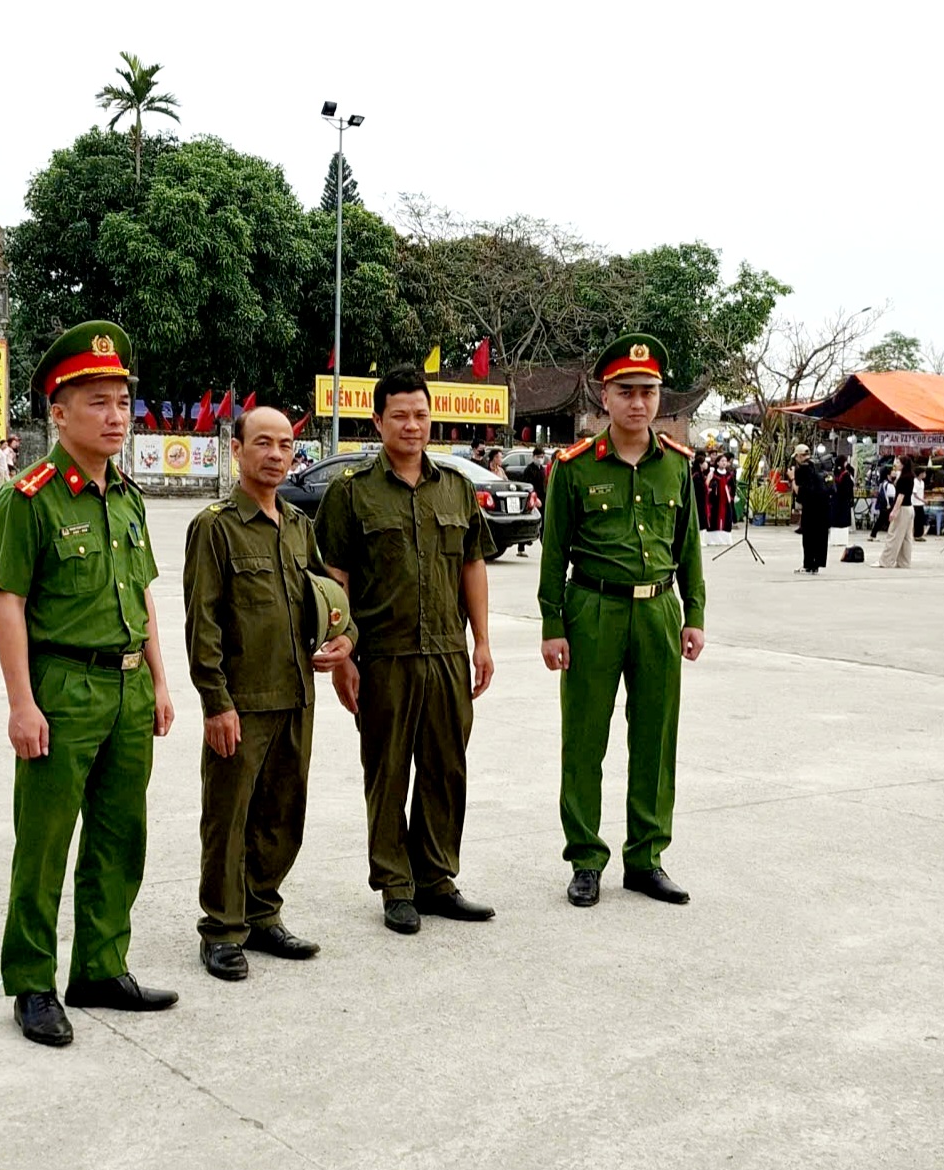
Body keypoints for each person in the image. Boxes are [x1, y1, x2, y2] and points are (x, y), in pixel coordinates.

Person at [0, 320, 178, 1047]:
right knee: (44, 841)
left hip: (129, 687)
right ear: (57, 412)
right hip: (63, 687)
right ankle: (33, 982)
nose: (115, 416)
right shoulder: (29, 499)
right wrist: (21, 702)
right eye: (97, 401)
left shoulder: (127, 496)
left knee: (120, 834)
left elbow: (146, 593)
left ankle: (101, 964)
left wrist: (160, 681)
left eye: (122, 402)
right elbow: (9, 602)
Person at [315, 366, 496, 935]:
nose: (412, 425)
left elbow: (472, 566)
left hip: (446, 650)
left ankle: (437, 878)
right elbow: (335, 576)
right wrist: (343, 655)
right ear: (377, 421)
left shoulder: (457, 488)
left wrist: (483, 641)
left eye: (420, 415)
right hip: (384, 654)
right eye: (399, 415)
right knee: (387, 772)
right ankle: (396, 885)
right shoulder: (351, 492)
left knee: (447, 769)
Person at [182, 405, 356, 981]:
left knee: (283, 813)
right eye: (263, 443)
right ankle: (222, 929)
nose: (276, 455)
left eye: (285, 445)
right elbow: (201, 623)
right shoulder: (215, 527)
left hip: (295, 695)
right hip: (242, 701)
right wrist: (215, 702)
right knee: (228, 818)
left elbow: (329, 603)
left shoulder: (299, 527)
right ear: (238, 450)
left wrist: (344, 640)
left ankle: (263, 912)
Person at [537, 334, 706, 908]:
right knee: (584, 739)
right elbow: (554, 552)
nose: (638, 402)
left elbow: (689, 547)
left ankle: (646, 857)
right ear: (603, 397)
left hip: (658, 610)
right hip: (593, 609)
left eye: (648, 391)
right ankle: (585, 858)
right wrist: (551, 624)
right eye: (626, 391)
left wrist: (694, 614)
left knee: (656, 737)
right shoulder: (575, 468)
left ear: (661, 398)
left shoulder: (676, 468)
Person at [793, 444, 830, 574]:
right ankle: (816, 565)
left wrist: (792, 478)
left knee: (808, 536)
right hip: (824, 506)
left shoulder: (800, 470)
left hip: (811, 506)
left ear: (798, 456)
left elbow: (799, 491)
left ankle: (808, 564)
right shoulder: (819, 465)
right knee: (820, 536)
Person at [878, 458, 917, 568]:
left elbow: (901, 496)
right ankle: (904, 562)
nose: (896, 464)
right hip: (909, 508)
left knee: (894, 535)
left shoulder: (905, 478)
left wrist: (894, 511)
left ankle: (886, 561)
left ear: (904, 464)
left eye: (898, 462)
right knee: (906, 537)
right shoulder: (910, 476)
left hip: (902, 508)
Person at [706, 455, 735, 545]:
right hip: (716, 501)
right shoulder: (713, 474)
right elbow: (708, 485)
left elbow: (733, 487)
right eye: (722, 461)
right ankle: (713, 540)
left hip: (726, 501)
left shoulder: (729, 475)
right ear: (717, 462)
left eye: (725, 461)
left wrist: (731, 497)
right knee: (714, 519)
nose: (724, 462)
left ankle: (726, 540)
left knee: (727, 519)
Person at [829, 456, 855, 547]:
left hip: (835, 501)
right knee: (843, 520)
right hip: (844, 501)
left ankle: (835, 540)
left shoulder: (834, 473)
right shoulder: (846, 474)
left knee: (835, 520)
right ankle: (842, 540)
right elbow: (849, 489)